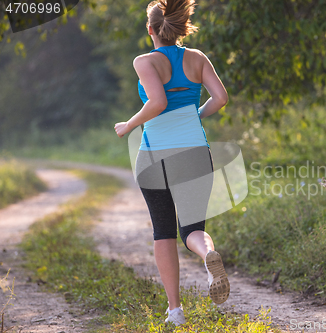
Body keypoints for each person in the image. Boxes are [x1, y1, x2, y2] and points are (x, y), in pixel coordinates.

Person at [114, 0, 230, 327]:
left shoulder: (145, 61)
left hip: (155, 155)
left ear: (150, 29)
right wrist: (195, 114)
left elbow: (157, 101)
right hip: (195, 151)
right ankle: (208, 255)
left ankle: (175, 312)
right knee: (193, 229)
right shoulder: (197, 58)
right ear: (179, 27)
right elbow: (220, 98)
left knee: (163, 231)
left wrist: (129, 125)